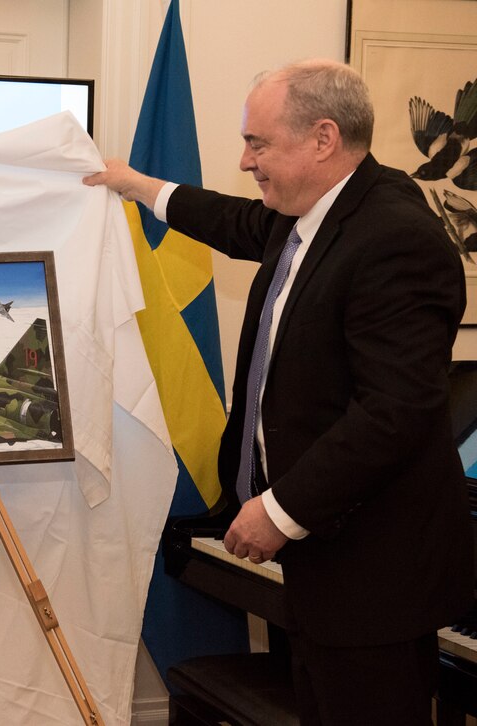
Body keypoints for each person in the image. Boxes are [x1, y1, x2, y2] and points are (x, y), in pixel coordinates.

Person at [85, 59, 473, 724]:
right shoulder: (310, 213)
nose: (245, 161)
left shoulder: (396, 239)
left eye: (257, 143)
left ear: (323, 138)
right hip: (321, 561)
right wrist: (135, 185)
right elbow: (229, 219)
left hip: (372, 578)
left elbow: (394, 413)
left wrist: (279, 510)